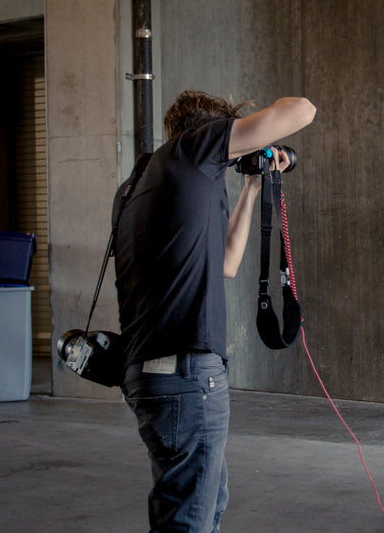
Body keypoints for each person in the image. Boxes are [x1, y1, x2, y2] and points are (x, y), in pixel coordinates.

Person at [114, 90, 316, 531]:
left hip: (147, 375)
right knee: (189, 520)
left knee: (202, 506)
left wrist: (252, 185)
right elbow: (302, 110)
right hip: (188, 375)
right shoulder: (191, 151)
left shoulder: (138, 182)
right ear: (209, 132)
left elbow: (225, 262)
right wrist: (264, 131)